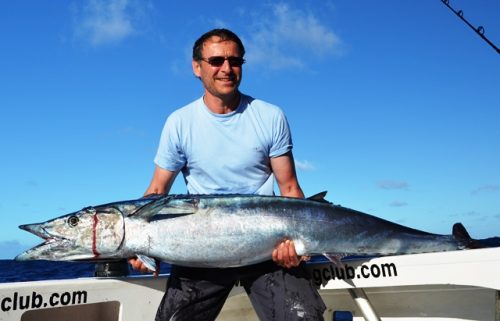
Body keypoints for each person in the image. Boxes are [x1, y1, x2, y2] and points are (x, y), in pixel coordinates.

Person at [129, 28, 326, 321]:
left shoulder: (270, 116)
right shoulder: (179, 123)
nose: (226, 69)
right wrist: (136, 241)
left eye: (235, 61)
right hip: (200, 249)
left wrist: (300, 245)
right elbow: (157, 189)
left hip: (267, 249)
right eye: (216, 61)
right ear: (197, 67)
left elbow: (290, 187)